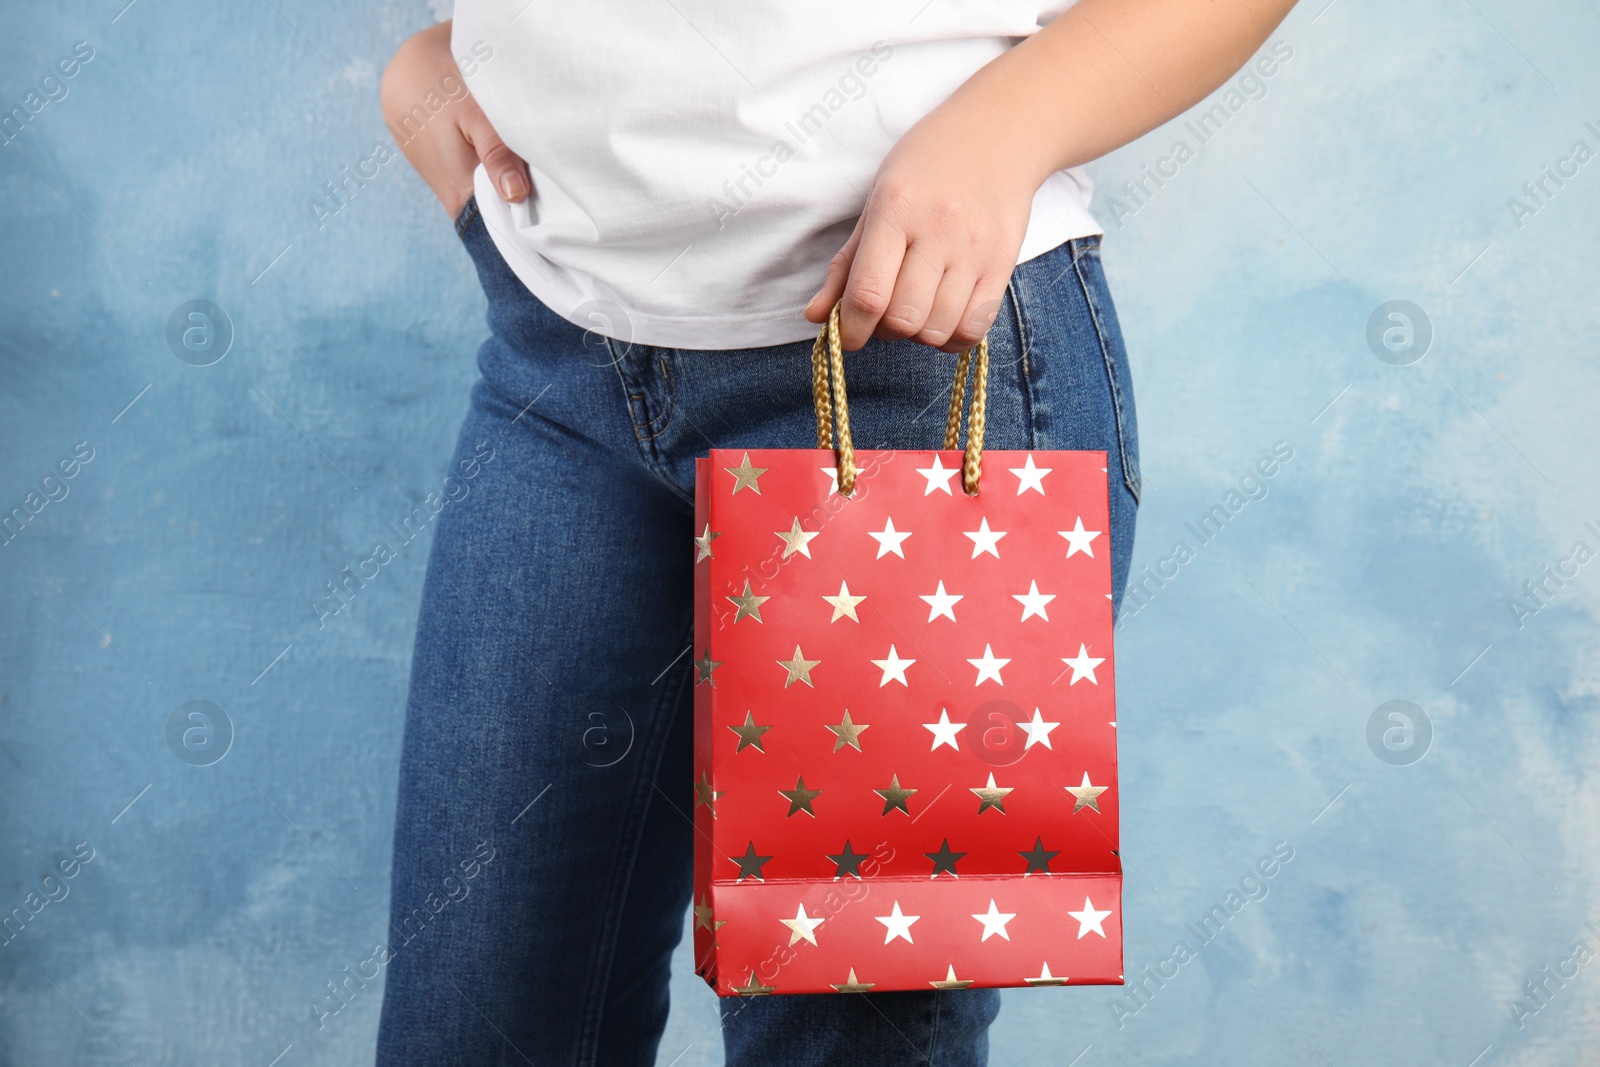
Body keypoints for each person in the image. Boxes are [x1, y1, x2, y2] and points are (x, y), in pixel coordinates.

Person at [374, 2, 1295, 1064]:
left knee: (839, 1044)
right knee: (473, 1027)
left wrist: (1007, 128)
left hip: (906, 363)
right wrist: (444, 53)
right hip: (559, 351)